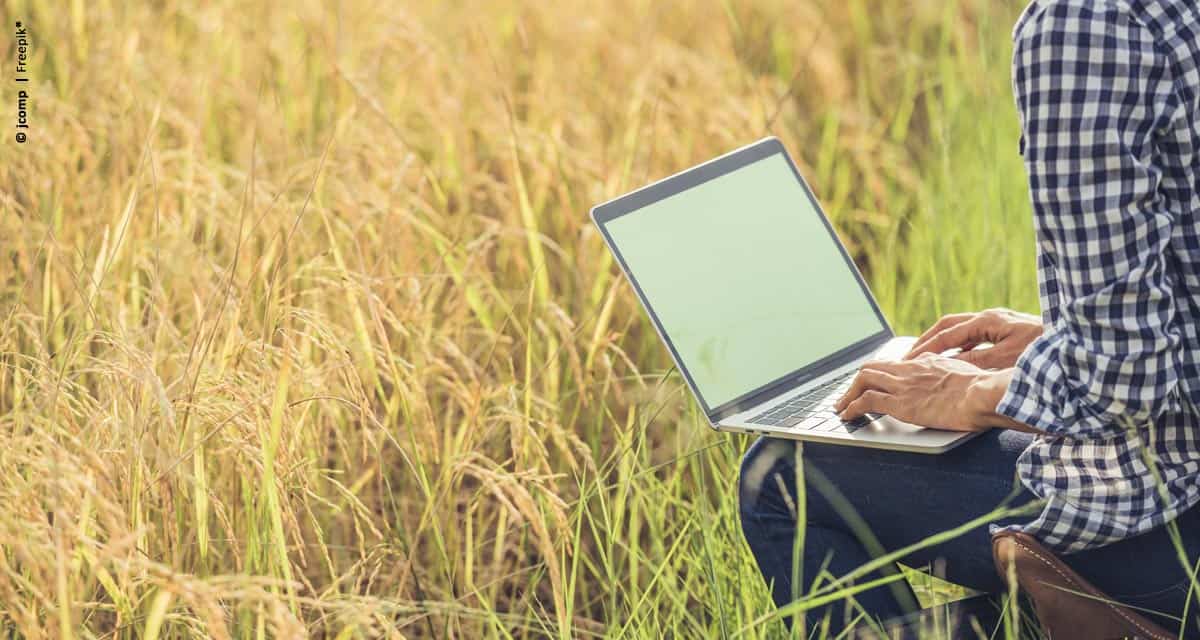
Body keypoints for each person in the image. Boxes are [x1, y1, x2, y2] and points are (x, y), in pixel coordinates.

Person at [739, 0, 1200, 636]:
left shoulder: (1084, 23)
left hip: (1179, 519)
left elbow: (1125, 384)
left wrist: (971, 390)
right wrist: (1056, 337)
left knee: (779, 478)